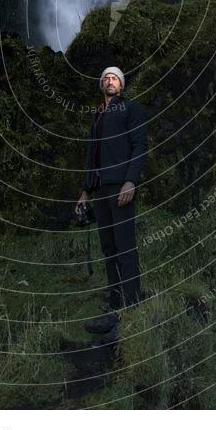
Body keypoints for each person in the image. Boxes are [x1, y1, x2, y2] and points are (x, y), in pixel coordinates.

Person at [75, 66, 148, 334]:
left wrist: (131, 180)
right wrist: (86, 192)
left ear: (121, 85)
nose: (110, 80)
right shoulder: (97, 116)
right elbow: (92, 156)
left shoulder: (131, 110)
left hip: (121, 187)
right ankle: (115, 306)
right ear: (100, 85)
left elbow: (140, 145)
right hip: (101, 190)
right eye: (105, 77)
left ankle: (132, 308)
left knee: (125, 247)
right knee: (108, 248)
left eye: (114, 78)